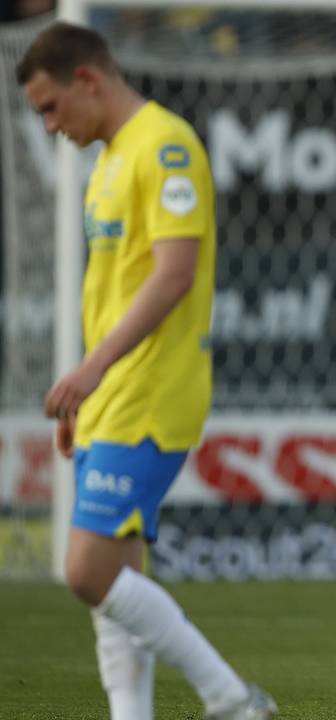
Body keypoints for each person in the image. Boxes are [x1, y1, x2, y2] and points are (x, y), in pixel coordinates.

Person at [19, 21, 276, 719]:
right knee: (115, 579)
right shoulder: (109, 160)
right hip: (112, 395)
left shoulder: (165, 145)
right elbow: (115, 290)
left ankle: (232, 698)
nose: (49, 126)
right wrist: (88, 394)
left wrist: (92, 370)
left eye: (50, 107)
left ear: (87, 81)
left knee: (85, 573)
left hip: (150, 389)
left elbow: (173, 275)